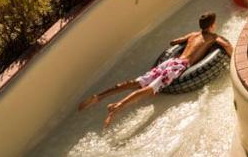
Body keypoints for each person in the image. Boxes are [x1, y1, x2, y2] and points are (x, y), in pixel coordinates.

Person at [78, 12, 231, 127]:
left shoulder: (193, 34)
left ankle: (100, 96)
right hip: (180, 66)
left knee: (138, 82)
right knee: (151, 89)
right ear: (212, 25)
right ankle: (117, 106)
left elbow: (174, 42)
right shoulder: (213, 37)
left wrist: (184, 44)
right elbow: (227, 46)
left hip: (171, 61)